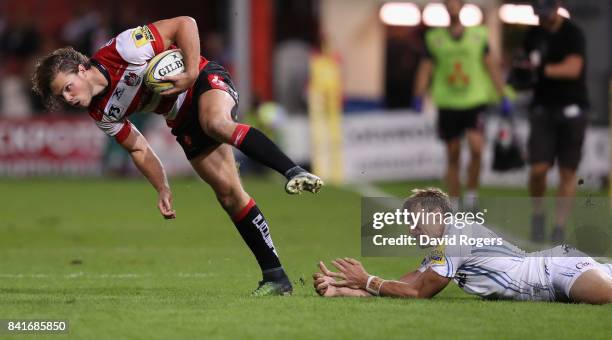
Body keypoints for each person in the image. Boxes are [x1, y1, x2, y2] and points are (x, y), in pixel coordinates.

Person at [31, 16, 324, 296]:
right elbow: (138, 148)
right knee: (228, 195)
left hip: (202, 81)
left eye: (67, 88)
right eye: (61, 96)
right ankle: (276, 277)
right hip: (180, 119)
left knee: (216, 124)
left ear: (82, 70)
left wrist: (191, 72)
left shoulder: (123, 49)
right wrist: (162, 186)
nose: (68, 98)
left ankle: (293, 171)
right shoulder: (102, 112)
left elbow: (185, 23)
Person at [313, 188, 612, 304]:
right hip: (552, 272)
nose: (411, 228)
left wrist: (367, 279)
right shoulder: (444, 247)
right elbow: (407, 284)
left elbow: (419, 293)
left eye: (415, 219)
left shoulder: (457, 238)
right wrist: (342, 288)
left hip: (556, 272)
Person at [413, 0, 511, 209]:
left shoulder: (478, 35)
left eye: (455, 3)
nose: (451, 7)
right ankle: (455, 203)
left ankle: (472, 194)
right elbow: (426, 67)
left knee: (477, 148)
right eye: (448, 4)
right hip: (448, 101)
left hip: (474, 100)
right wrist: (419, 93)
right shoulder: (435, 38)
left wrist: (502, 94)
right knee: (453, 153)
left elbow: (491, 65)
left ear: (462, 6)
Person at [523, 0, 589, 244]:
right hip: (543, 110)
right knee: (538, 169)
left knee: (567, 171)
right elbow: (525, 66)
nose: (542, 18)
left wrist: (541, 71)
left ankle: (559, 227)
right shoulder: (533, 34)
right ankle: (538, 214)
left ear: (556, 8)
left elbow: (573, 69)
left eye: (545, 13)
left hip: (571, 109)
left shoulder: (573, 33)